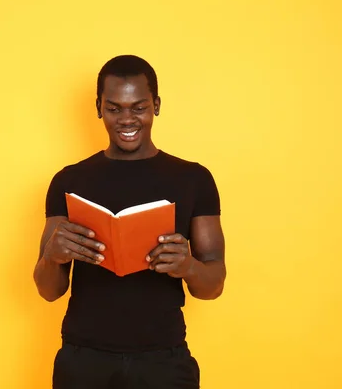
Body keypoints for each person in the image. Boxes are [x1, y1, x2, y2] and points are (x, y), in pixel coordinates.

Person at [33, 55, 226, 389]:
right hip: (83, 359)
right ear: (98, 107)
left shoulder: (194, 179)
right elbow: (49, 291)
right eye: (114, 108)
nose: (126, 119)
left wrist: (188, 266)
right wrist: (53, 255)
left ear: (156, 105)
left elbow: (213, 286)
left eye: (138, 107)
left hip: (163, 360)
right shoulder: (69, 181)